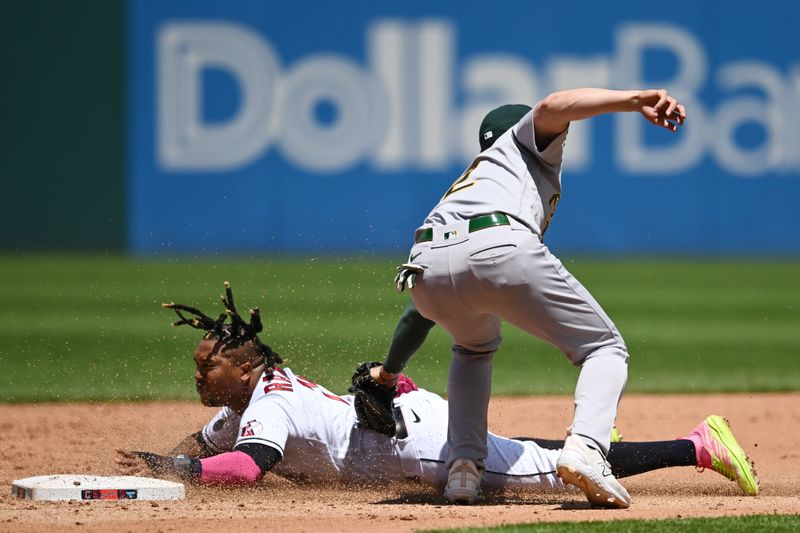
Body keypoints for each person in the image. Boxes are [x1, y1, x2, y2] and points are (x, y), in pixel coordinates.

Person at [116, 284, 759, 502]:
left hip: (418, 447)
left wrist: (176, 472)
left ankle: (697, 445)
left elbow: (244, 469)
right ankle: (587, 443)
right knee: (523, 452)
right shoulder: (244, 406)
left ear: (246, 367)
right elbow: (209, 447)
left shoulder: (272, 405)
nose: (199, 377)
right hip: (403, 419)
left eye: (208, 367)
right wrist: (163, 468)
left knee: (563, 475)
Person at [367, 88, 688, 507]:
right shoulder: (523, 144)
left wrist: (388, 375)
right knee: (604, 348)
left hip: (423, 262)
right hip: (497, 242)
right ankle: (587, 448)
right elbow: (552, 107)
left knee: (472, 347)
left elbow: (417, 314)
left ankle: (463, 469)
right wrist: (632, 100)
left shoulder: (470, 183)